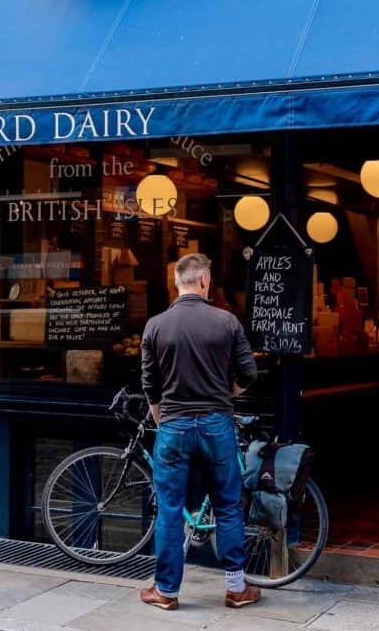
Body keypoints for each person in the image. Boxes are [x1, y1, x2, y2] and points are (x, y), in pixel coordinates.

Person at [139, 253, 260, 611]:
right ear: (205, 281)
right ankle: (236, 588)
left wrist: (163, 421)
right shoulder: (226, 322)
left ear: (177, 282)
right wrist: (226, 395)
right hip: (216, 423)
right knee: (227, 505)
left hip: (173, 425)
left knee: (170, 509)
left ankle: (166, 591)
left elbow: (150, 386)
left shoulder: (155, 326)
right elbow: (249, 374)